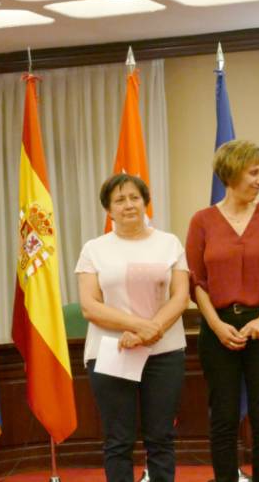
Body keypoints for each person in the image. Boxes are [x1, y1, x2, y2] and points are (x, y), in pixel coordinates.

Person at [186, 139, 259, 482]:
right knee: (223, 418)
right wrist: (216, 326)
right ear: (231, 175)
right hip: (218, 328)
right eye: (254, 172)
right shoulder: (202, 221)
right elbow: (197, 281)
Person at [76, 173, 189, 482]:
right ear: (108, 210)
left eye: (134, 198)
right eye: (119, 200)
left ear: (145, 202)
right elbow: (90, 306)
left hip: (164, 352)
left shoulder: (169, 243)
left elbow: (181, 297)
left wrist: (150, 332)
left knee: (161, 437)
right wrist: (141, 327)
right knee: (118, 440)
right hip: (112, 351)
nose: (128, 205)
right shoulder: (94, 249)